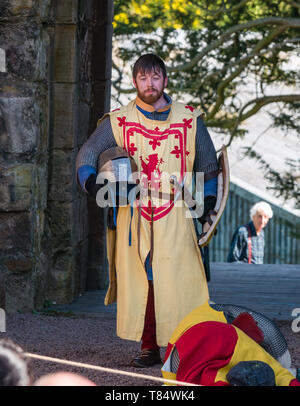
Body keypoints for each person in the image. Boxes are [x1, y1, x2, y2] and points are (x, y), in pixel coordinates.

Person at [76, 54, 219, 368]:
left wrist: (208, 205)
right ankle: (148, 345)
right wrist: (93, 184)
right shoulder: (119, 120)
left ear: (165, 80)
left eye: (155, 77)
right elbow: (87, 154)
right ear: (134, 82)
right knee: (144, 279)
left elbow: (209, 168)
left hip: (177, 210)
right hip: (135, 211)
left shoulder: (189, 119)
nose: (150, 84)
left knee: (180, 279)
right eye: (143, 78)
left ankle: (181, 348)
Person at [161, 301, 300, 386]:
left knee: (282, 364)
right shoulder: (248, 352)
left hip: (204, 331)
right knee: (283, 363)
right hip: (198, 334)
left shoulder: (245, 351)